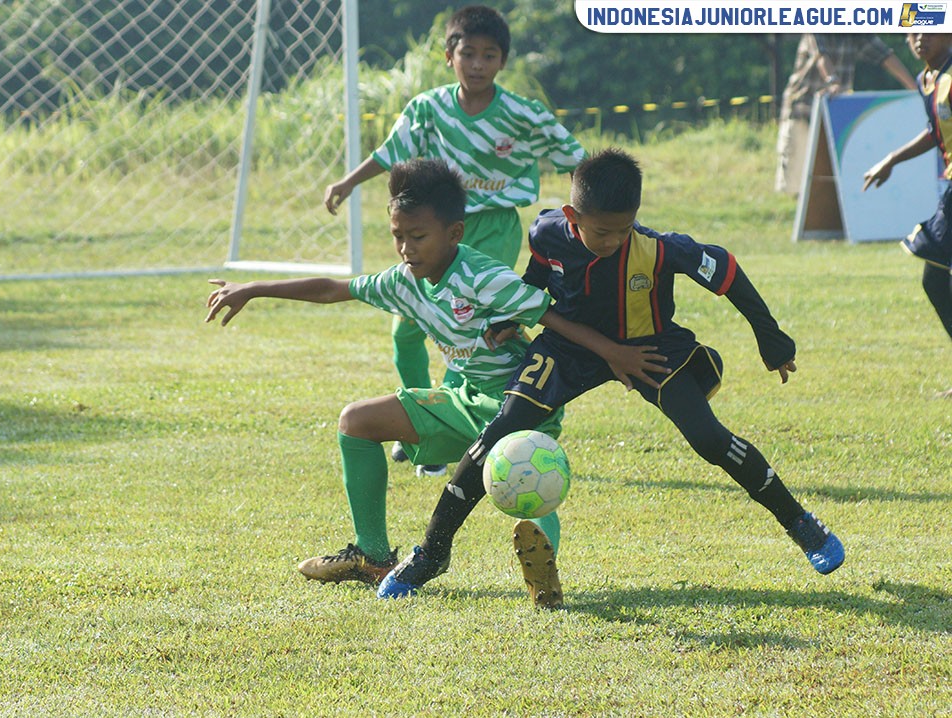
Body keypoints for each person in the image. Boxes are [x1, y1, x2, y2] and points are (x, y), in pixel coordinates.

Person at [379, 148, 846, 609]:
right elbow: (537, 276)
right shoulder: (546, 231)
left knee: (707, 437)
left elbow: (727, 271)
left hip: (650, 348)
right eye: (602, 232)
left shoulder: (661, 249)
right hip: (569, 348)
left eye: (624, 230)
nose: (614, 241)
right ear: (572, 215)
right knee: (501, 430)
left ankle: (801, 523)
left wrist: (772, 338)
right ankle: (432, 551)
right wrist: (509, 316)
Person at [207, 159, 666, 588]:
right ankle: (372, 557)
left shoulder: (482, 276)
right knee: (356, 422)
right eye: (398, 236)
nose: (406, 249)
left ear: (454, 233)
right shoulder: (403, 280)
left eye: (418, 236)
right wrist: (255, 288)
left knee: (524, 476)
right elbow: (333, 289)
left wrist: (614, 355)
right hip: (462, 399)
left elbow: (553, 316)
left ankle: (545, 569)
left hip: (520, 401)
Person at [323, 5, 587, 475]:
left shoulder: (522, 114)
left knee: (469, 323)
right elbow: (392, 151)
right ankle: (425, 415)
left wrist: (585, 217)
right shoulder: (428, 108)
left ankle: (471, 432)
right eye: (469, 53)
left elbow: (575, 157)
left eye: (489, 55)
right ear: (450, 56)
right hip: (437, 231)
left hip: (493, 225)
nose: (478, 64)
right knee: (404, 328)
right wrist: (348, 182)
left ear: (502, 61)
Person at [862, 33, 952, 399]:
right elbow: (936, 130)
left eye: (927, 31)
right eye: (911, 33)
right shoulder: (927, 80)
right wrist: (891, 160)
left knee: (935, 275)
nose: (917, 40)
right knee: (935, 279)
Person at [777, 34, 915, 195]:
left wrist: (914, 88)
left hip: (835, 112)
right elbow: (821, 56)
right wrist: (833, 81)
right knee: (794, 181)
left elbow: (886, 56)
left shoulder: (856, 32)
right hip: (802, 109)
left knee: (831, 179)